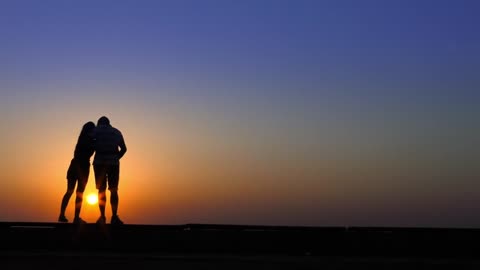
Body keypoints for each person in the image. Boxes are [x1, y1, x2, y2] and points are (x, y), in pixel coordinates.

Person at [58, 121, 96, 224]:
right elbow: (92, 149)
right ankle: (75, 218)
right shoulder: (91, 140)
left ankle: (62, 215)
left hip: (74, 165)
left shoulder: (81, 138)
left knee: (69, 191)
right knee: (79, 193)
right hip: (82, 167)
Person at [93, 116, 127, 225]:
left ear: (99, 123)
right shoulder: (117, 132)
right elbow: (124, 149)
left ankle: (102, 217)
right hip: (113, 163)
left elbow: (89, 145)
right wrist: (116, 158)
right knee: (114, 190)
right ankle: (114, 216)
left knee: (101, 191)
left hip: (99, 162)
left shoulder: (95, 131)